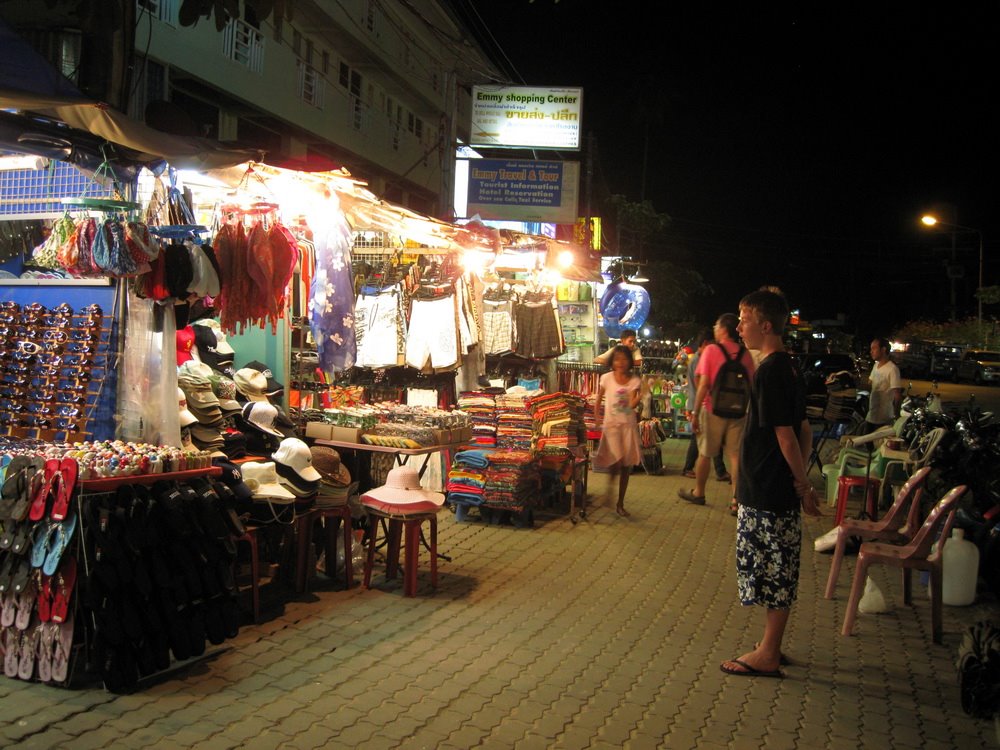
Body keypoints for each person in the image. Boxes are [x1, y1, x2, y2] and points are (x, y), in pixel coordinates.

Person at [720, 287, 822, 679]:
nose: (739, 326)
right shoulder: (790, 366)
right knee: (776, 567)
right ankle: (771, 644)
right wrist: (802, 478)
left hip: (767, 488)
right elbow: (805, 429)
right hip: (770, 486)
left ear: (765, 325)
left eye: (744, 320)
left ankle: (768, 652)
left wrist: (802, 484)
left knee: (772, 569)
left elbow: (786, 435)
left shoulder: (772, 369)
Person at [678, 313, 754, 510]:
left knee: (705, 453)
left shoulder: (712, 350)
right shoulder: (746, 354)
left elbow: (703, 385)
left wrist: (694, 413)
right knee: (735, 456)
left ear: (722, 329)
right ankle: (736, 501)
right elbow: (752, 386)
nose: (714, 328)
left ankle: (699, 493)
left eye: (716, 325)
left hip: (712, 410)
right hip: (738, 413)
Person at [594, 345, 643, 516]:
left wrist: (641, 395)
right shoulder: (606, 378)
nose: (620, 362)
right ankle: (609, 491)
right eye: (617, 359)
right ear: (612, 362)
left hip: (627, 427)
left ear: (630, 362)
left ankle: (619, 502)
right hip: (611, 426)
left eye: (624, 359)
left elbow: (631, 404)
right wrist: (596, 416)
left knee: (625, 466)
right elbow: (599, 396)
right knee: (618, 459)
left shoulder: (634, 381)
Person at [681, 329, 729, 482]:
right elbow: (700, 384)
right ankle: (690, 468)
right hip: (700, 404)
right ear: (705, 344)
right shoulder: (698, 360)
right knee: (701, 439)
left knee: (706, 438)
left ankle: (718, 470)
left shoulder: (699, 358)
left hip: (701, 403)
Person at [864, 337, 902, 433]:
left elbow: (897, 395)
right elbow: (870, 384)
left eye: (874, 348)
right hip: (872, 413)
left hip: (883, 418)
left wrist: (896, 415)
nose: (871, 351)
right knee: (867, 441)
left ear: (883, 349)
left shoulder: (892, 369)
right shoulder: (875, 366)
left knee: (876, 444)